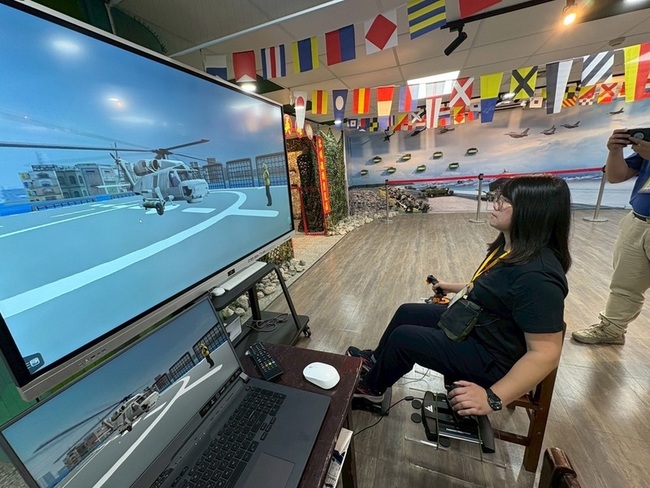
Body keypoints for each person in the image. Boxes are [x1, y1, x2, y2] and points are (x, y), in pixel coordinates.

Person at [348, 175, 571, 417]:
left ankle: (372, 388)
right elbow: (491, 289)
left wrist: (493, 397)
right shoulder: (510, 249)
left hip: (491, 359)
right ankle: (375, 361)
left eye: (505, 201)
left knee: (404, 338)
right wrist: (449, 286)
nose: (494, 204)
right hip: (477, 326)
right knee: (407, 312)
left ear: (532, 212)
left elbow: (545, 353)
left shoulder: (538, 275)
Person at [572, 129, 650, 345]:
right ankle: (612, 329)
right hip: (638, 220)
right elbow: (616, 176)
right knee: (625, 283)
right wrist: (615, 151)